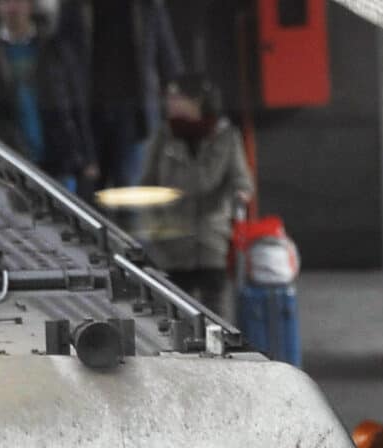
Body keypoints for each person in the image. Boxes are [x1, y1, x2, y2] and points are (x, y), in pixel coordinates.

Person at [138, 76, 252, 318]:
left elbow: (241, 179)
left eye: (176, 97)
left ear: (196, 101)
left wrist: (239, 194)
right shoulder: (164, 136)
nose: (170, 103)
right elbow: (147, 183)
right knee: (174, 310)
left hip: (211, 236)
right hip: (172, 239)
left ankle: (221, 355)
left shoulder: (225, 136)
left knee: (216, 308)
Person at [71, 0, 180, 189]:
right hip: (89, 116)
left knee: (132, 192)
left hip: (135, 116)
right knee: (88, 194)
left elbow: (168, 60)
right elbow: (64, 58)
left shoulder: (148, 6)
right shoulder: (78, 7)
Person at [0, 0, 88, 188]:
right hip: (12, 161)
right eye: (6, 2)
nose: (12, 8)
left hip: (57, 156)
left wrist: (86, 152)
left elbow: (74, 100)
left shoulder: (53, 48)